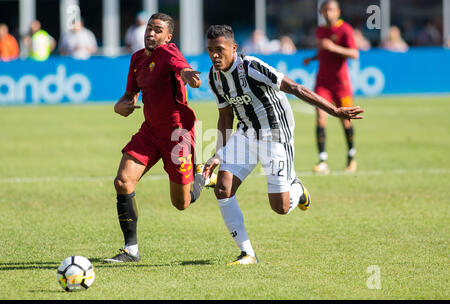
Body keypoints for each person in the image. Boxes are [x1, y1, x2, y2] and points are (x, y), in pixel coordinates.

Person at [202, 25, 364, 265]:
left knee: (280, 207)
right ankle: (248, 254)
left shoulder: (252, 67)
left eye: (220, 49)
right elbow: (226, 117)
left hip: (275, 134)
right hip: (246, 134)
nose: (215, 55)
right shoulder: (214, 78)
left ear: (234, 48)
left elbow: (296, 88)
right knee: (223, 189)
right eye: (210, 50)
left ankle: (297, 189)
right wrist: (219, 154)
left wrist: (334, 110)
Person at [104, 13, 216, 263]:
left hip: (177, 134)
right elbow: (130, 96)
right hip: (150, 131)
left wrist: (188, 75)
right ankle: (130, 250)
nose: (150, 34)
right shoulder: (136, 60)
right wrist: (119, 106)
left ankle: (202, 176)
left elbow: (183, 67)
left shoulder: (169, 53)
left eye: (157, 30)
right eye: (148, 29)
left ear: (168, 37)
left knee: (181, 203)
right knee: (123, 182)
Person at [303, 0, 359, 174]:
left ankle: (351, 159)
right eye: (326, 10)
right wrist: (313, 58)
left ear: (338, 11)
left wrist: (334, 47)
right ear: (321, 12)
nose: (329, 13)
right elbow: (323, 53)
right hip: (323, 83)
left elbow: (354, 53)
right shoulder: (320, 30)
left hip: (341, 85)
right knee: (320, 116)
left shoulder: (345, 30)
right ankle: (323, 161)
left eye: (332, 10)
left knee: (346, 120)